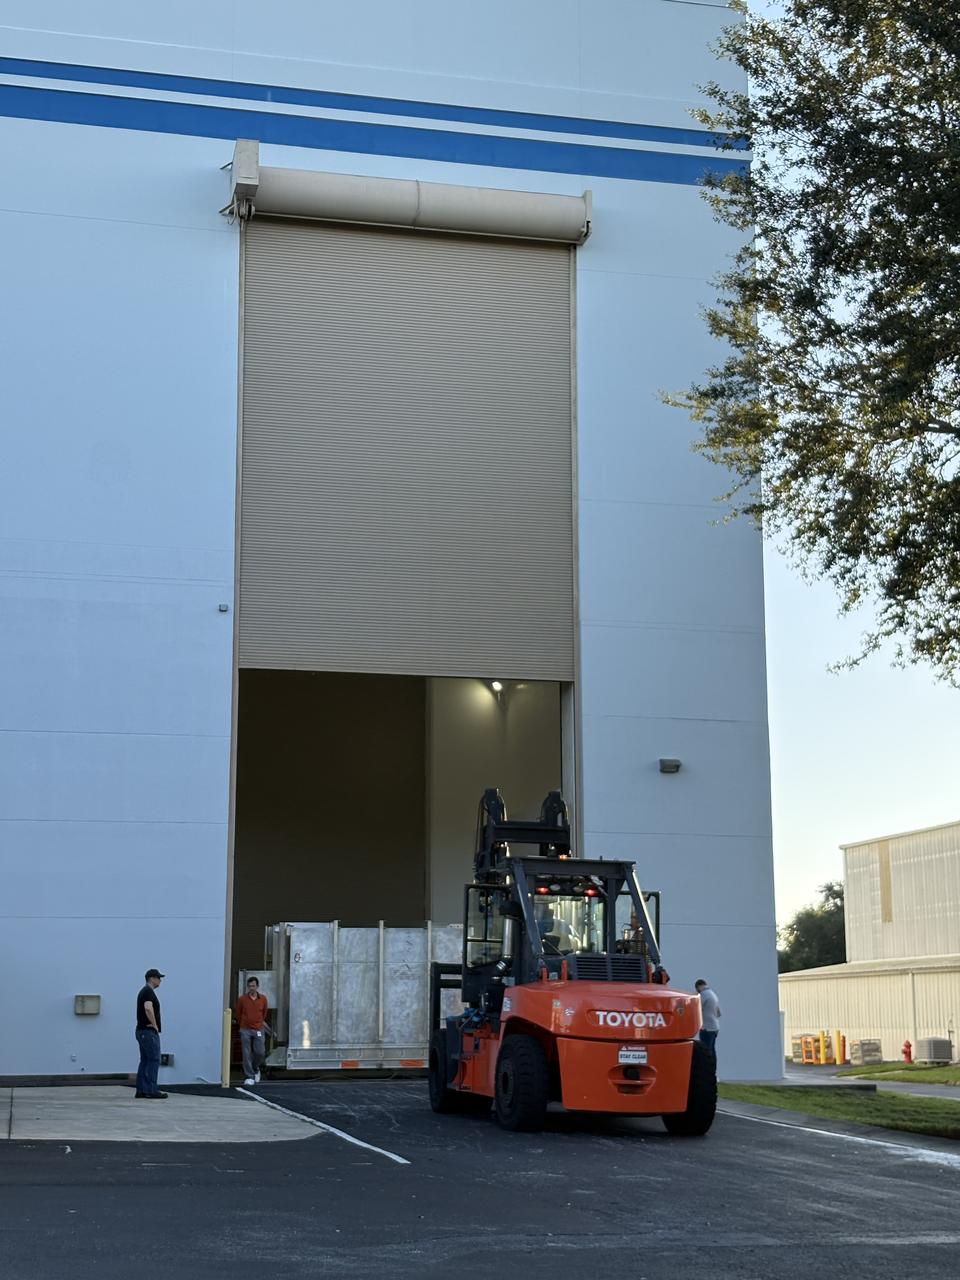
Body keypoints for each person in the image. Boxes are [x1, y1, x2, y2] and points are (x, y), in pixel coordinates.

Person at [135, 968, 167, 1099]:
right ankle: (151, 1090)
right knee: (153, 1059)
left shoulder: (144, 991)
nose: (160, 980)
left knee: (145, 1060)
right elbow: (148, 1008)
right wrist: (154, 1025)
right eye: (159, 978)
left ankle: (141, 1090)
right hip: (148, 1032)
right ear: (152, 978)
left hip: (141, 1031)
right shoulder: (148, 992)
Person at [236, 976, 269, 1086]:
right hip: (245, 1029)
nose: (251, 988)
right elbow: (238, 1013)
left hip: (258, 1028)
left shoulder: (263, 999)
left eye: (253, 986)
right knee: (246, 1053)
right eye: (249, 986)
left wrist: (259, 1022)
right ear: (247, 987)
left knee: (260, 1051)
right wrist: (242, 1025)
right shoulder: (242, 999)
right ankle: (249, 1076)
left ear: (257, 987)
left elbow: (264, 1013)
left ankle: (255, 1069)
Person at [695, 978, 721, 1055]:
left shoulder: (704, 994)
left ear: (699, 986)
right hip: (715, 1027)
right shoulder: (713, 994)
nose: (698, 991)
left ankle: (706, 1066)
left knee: (705, 1051)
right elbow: (718, 1013)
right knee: (712, 1049)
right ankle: (712, 1066)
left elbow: (696, 1007)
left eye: (697, 989)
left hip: (707, 1028)